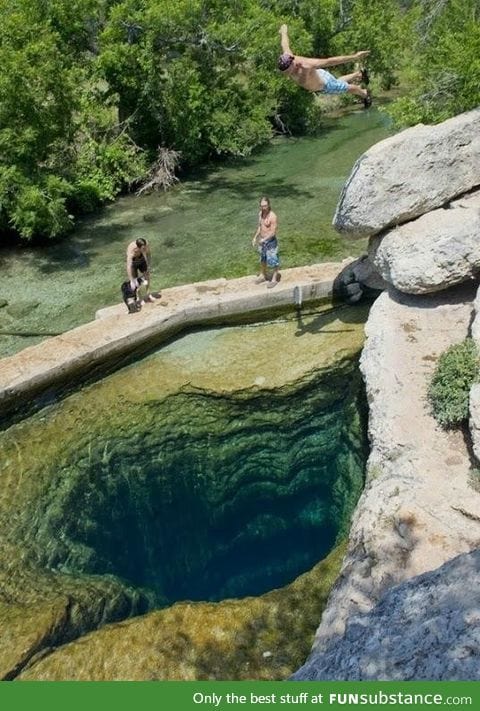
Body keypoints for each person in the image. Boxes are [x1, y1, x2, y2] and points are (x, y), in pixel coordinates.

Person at [278, 24, 372, 108]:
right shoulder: (288, 56)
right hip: (320, 76)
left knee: (349, 88)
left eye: (287, 71)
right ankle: (359, 74)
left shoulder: (306, 65)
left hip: (325, 86)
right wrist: (283, 31)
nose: (286, 74)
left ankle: (365, 94)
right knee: (337, 82)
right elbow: (285, 43)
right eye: (284, 72)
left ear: (292, 64)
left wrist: (354, 57)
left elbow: (330, 61)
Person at [252, 197, 281, 288]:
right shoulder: (260, 214)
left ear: (268, 205)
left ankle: (274, 279)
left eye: (265, 206)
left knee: (273, 260)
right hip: (262, 241)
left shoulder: (273, 216)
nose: (263, 208)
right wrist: (255, 237)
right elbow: (260, 227)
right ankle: (263, 275)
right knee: (263, 259)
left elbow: (273, 232)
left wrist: (264, 240)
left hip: (271, 242)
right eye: (261, 206)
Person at [126, 237, 158, 303]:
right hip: (134, 262)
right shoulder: (131, 251)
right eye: (143, 248)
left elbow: (149, 254)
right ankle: (138, 297)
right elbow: (128, 266)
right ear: (138, 247)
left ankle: (148, 294)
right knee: (135, 281)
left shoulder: (146, 244)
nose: (145, 249)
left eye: (145, 247)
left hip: (142, 259)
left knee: (147, 276)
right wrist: (131, 280)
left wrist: (148, 265)